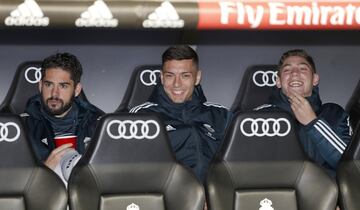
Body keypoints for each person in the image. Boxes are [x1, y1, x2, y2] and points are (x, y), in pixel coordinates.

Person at [129, 45, 232, 183]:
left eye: (185, 76)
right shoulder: (142, 117)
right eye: (170, 76)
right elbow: (136, 173)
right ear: (161, 77)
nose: (177, 84)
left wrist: (215, 196)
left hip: (215, 199)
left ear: (197, 78)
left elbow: (237, 167)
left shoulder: (221, 116)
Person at [256, 49, 352, 176]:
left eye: (303, 69)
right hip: (274, 194)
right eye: (287, 70)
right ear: (278, 81)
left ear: (315, 79)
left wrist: (313, 123)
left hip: (324, 194)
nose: (295, 73)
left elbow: (351, 167)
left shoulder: (334, 114)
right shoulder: (259, 117)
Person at [22, 52, 104, 181]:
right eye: (48, 84)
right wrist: (44, 172)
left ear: (77, 90)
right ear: (40, 86)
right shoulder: (22, 127)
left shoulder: (98, 123)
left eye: (63, 86)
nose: (54, 93)